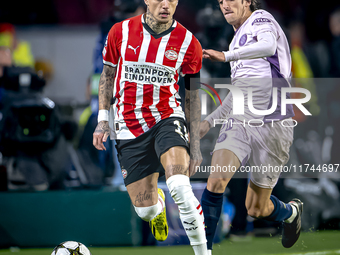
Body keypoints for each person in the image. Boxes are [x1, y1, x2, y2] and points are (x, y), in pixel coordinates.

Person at [92, 0, 207, 254]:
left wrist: (195, 145)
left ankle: (204, 252)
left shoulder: (189, 42)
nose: (165, 4)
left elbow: (192, 96)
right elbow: (107, 75)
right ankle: (158, 207)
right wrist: (103, 120)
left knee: (180, 186)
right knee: (145, 210)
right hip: (129, 127)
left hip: (167, 118)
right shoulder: (119, 32)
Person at [199, 0, 303, 254]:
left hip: (274, 123)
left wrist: (226, 56)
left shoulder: (261, 19)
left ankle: (290, 212)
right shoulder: (236, 39)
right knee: (215, 182)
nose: (224, 5)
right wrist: (209, 121)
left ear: (247, 1)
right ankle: (204, 251)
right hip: (240, 121)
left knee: (256, 208)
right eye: (221, 1)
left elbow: (267, 46)